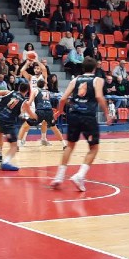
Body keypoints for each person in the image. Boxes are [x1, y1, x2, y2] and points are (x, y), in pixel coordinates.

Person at [50, 56, 112, 191]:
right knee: (94, 148)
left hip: (73, 115)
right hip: (88, 116)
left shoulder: (75, 79)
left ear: (83, 68)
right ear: (95, 68)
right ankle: (80, 175)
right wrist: (107, 114)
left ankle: (59, 177)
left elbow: (63, 98)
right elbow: (99, 96)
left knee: (70, 146)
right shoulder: (98, 80)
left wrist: (59, 111)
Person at [0, 82, 35, 171]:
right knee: (14, 146)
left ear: (19, 88)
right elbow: (31, 115)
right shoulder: (24, 102)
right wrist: (37, 116)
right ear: (27, 91)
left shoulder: (9, 92)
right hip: (6, 122)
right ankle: (5, 162)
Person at [26, 79, 66, 148]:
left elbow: (30, 102)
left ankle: (20, 142)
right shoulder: (47, 92)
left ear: (37, 85)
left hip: (40, 111)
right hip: (49, 111)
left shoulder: (35, 90)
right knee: (54, 128)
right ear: (44, 85)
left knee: (26, 124)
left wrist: (25, 105)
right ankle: (64, 144)